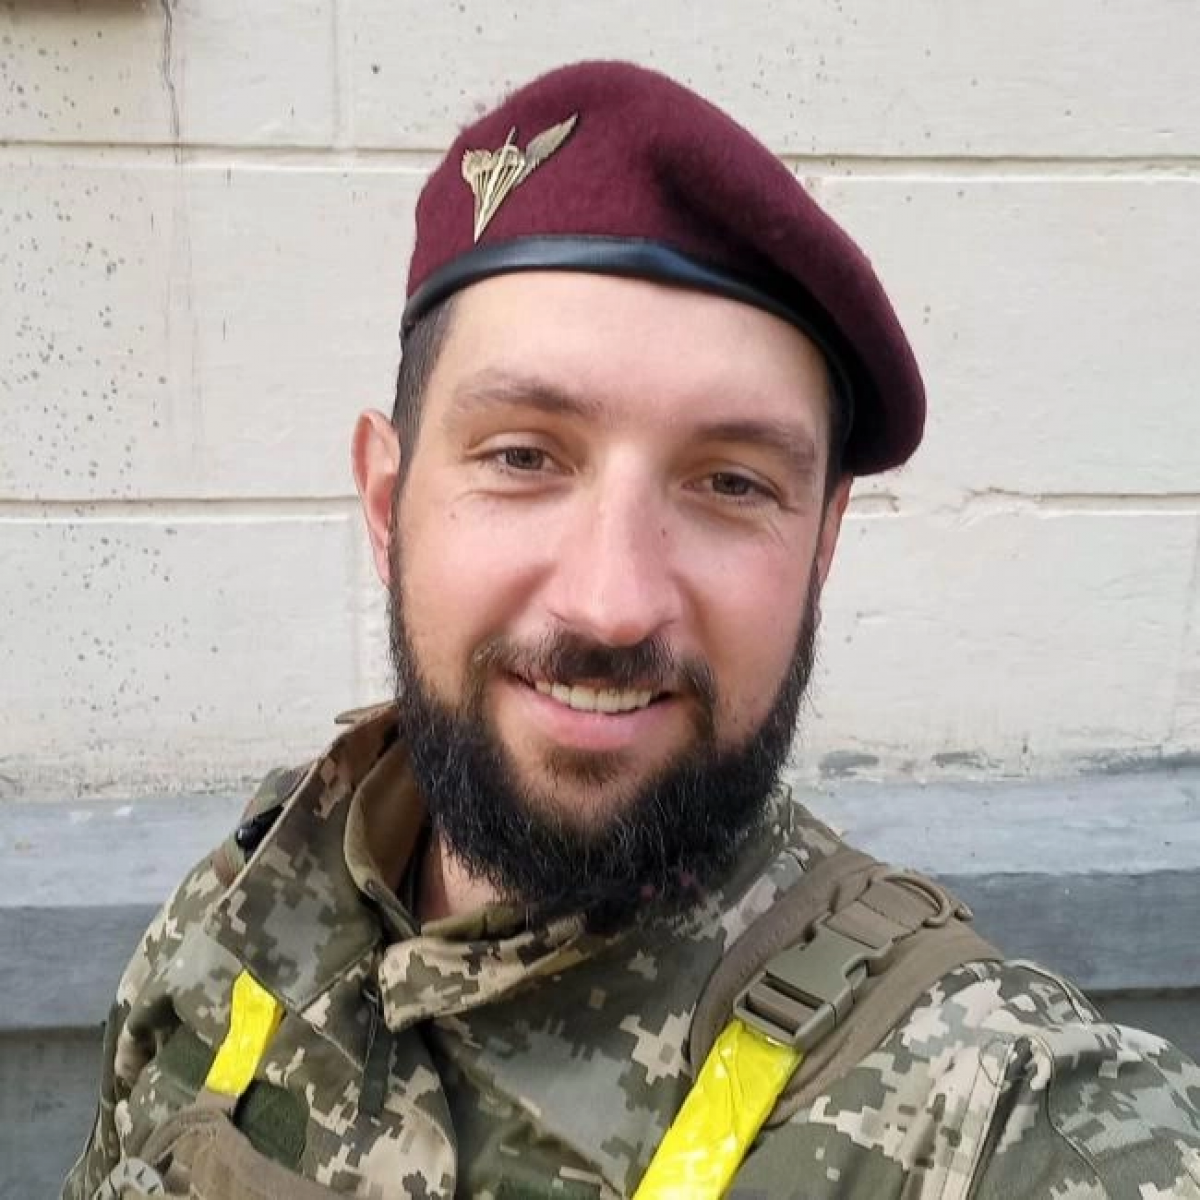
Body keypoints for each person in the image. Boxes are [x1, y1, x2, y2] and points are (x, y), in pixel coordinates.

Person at [64, 61, 1200, 1200]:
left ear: (822, 546)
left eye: (731, 483)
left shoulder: (987, 1111)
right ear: (386, 503)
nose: (612, 603)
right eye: (523, 457)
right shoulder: (239, 912)